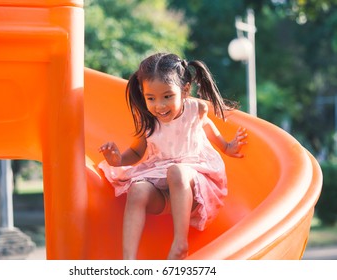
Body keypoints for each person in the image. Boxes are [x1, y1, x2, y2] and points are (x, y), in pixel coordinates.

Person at [98, 53, 247, 260]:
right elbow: (135, 152)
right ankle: (128, 262)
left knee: (176, 172)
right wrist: (117, 160)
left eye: (167, 96)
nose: (160, 105)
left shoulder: (197, 109)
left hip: (194, 186)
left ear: (185, 90)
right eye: (151, 98)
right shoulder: (149, 121)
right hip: (162, 189)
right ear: (143, 94)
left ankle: (180, 243)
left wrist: (227, 146)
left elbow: (208, 127)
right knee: (138, 190)